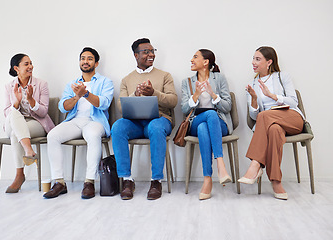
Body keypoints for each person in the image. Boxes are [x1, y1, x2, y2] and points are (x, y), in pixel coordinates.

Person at [111, 38, 178, 200]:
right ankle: (127, 180)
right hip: (134, 123)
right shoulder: (126, 80)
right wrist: (137, 94)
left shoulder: (165, 76)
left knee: (155, 128)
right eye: (146, 51)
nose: (151, 55)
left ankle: (156, 181)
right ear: (135, 55)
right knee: (117, 127)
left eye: (152, 51)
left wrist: (154, 93)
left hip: (159, 120)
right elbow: (120, 107)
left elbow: (173, 101)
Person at [43, 47, 114, 199]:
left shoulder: (105, 82)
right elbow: (62, 107)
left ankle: (89, 182)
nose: (85, 61)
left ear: (96, 63)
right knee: (53, 135)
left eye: (89, 58)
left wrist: (86, 94)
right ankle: (59, 182)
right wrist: (76, 97)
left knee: (93, 135)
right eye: (83, 58)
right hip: (75, 121)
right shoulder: (72, 84)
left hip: (95, 121)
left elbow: (104, 104)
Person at [238, 46, 305, 200]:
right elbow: (254, 116)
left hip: (292, 118)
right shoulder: (253, 84)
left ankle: (255, 164)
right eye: (253, 58)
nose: (253, 62)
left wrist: (273, 96)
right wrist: (254, 98)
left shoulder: (283, 77)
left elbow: (294, 102)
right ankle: (276, 182)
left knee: (264, 116)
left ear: (269, 62)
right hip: (270, 123)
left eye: (257, 59)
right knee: (273, 129)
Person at [181, 49, 233, 200]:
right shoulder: (187, 82)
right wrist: (196, 94)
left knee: (206, 125)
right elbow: (184, 109)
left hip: (219, 123)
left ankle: (207, 180)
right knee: (208, 116)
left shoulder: (219, 79)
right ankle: (220, 164)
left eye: (195, 57)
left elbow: (227, 106)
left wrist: (213, 94)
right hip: (195, 122)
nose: (191, 60)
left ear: (205, 62)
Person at [4, 53, 55, 193]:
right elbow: (6, 112)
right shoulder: (9, 86)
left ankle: (19, 175)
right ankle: (29, 150)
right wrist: (16, 102)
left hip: (35, 122)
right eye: (26, 64)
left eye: (31, 63)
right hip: (13, 122)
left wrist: (32, 100)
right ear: (16, 68)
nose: (30, 66)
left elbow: (43, 112)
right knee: (13, 114)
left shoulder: (41, 84)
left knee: (16, 134)